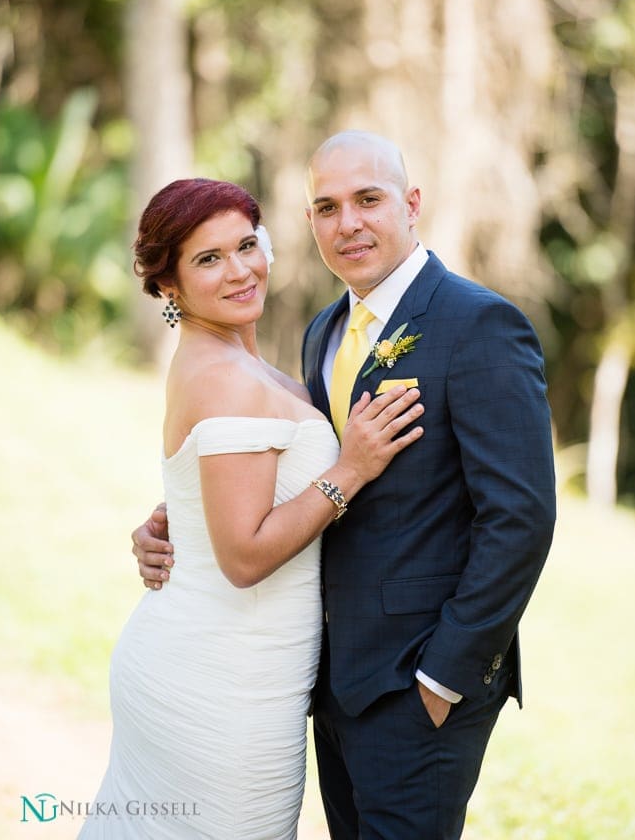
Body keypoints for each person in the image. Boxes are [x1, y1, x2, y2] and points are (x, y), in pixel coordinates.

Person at [134, 132, 556, 840]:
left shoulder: (478, 324)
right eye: (325, 207)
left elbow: (520, 519)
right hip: (325, 683)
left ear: (411, 204)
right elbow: (286, 471)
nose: (348, 223)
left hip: (418, 684)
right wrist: (182, 517)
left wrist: (442, 678)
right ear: (307, 224)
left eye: (368, 199)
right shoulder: (323, 332)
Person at [80, 177, 424, 840]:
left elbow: (225, 491)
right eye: (208, 259)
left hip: (220, 661)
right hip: (219, 682)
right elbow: (242, 558)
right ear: (168, 285)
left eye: (245, 245)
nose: (240, 270)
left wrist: (172, 514)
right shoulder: (223, 376)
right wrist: (348, 470)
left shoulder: (229, 361)